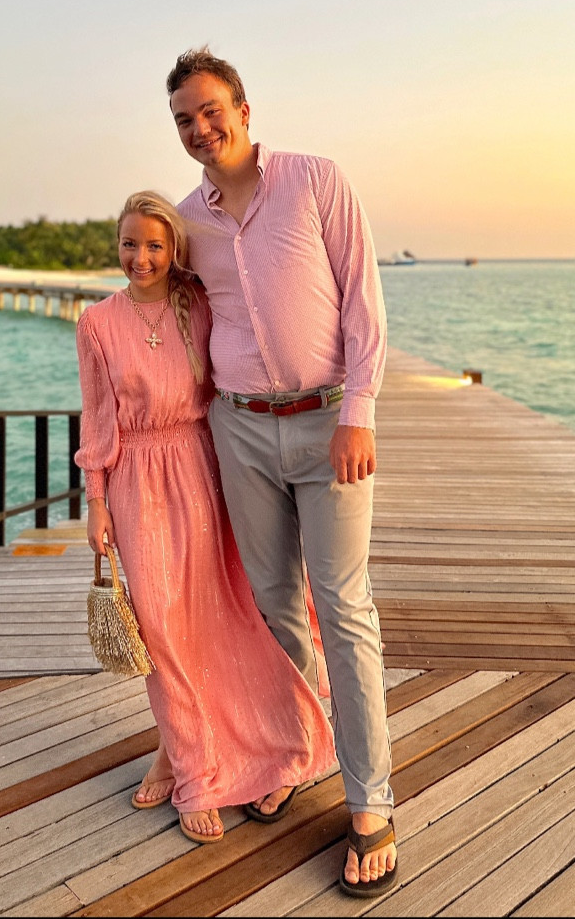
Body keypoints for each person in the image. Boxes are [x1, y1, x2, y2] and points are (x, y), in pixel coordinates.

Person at [169, 48, 398, 897]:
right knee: (273, 606)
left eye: (210, 110)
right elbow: (176, 315)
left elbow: (362, 302)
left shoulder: (314, 181)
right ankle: (292, 751)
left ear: (244, 109)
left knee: (343, 607)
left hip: (326, 422)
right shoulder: (189, 220)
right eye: (184, 120)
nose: (200, 129)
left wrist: (358, 412)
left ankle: (371, 801)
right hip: (238, 429)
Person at [75, 190, 336, 845]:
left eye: (155, 245)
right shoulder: (98, 322)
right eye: (130, 243)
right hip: (137, 480)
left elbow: (261, 326)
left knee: (222, 616)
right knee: (161, 624)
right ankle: (194, 769)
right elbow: (97, 418)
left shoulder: (196, 305)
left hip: (207, 466)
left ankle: (185, 751)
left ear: (174, 251)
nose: (141, 257)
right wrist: (96, 500)